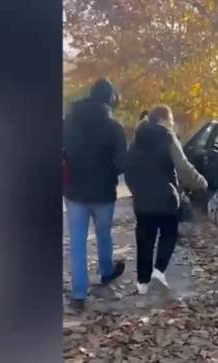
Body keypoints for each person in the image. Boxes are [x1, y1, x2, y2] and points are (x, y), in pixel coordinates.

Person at [124, 105, 207, 295]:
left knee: (144, 238)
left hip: (142, 199)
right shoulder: (168, 137)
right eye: (170, 120)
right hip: (165, 197)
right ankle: (159, 271)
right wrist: (201, 182)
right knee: (169, 233)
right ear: (163, 119)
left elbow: (127, 168)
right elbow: (183, 167)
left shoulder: (136, 140)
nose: (172, 123)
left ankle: (142, 283)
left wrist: (136, 190)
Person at [63, 78, 127, 312]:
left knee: (77, 243)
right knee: (103, 235)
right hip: (103, 193)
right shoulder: (114, 127)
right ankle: (106, 272)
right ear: (110, 99)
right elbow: (121, 165)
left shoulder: (67, 122)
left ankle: (79, 294)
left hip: (73, 192)